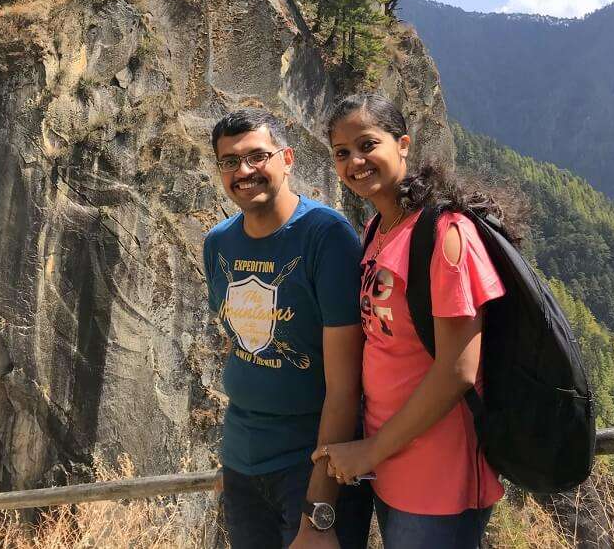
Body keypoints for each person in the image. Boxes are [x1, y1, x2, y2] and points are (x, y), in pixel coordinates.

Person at [314, 93, 514, 549]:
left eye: (367, 144)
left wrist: (370, 450)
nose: (355, 161)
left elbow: (458, 370)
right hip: (389, 465)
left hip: (438, 476)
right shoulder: (376, 231)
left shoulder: (445, 234)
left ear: (402, 144)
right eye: (342, 153)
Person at [203, 108, 373, 549]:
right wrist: (233, 465)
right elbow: (242, 349)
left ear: (287, 158)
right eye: (229, 161)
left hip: (311, 463)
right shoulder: (218, 242)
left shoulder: (325, 236)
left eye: (257, 156)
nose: (243, 171)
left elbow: (344, 385)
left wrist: (319, 512)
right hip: (242, 462)